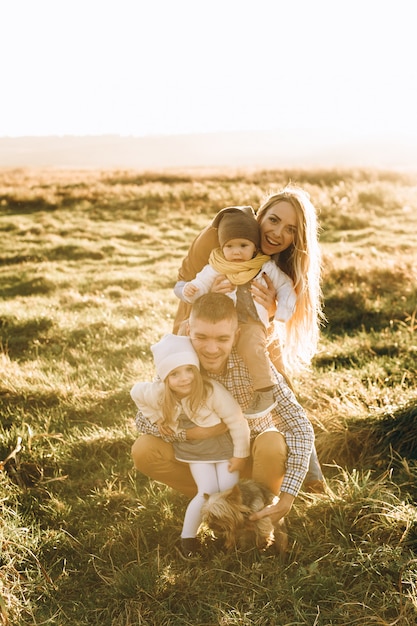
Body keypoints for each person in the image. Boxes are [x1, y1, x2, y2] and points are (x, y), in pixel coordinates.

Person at [131, 293, 316, 547]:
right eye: (201, 337)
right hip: (202, 459)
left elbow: (299, 424)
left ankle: (261, 515)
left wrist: (288, 496)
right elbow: (142, 421)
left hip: (251, 460)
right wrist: (189, 435)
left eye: (222, 338)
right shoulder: (179, 365)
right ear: (188, 330)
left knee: (272, 442)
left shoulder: (254, 363)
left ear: (236, 335)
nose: (211, 348)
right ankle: (214, 504)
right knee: (144, 450)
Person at [172, 186, 324, 378]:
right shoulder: (219, 234)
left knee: (276, 384)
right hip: (200, 322)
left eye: (290, 229)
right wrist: (208, 295)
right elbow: (181, 287)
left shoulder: (285, 259)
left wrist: (271, 310)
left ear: (297, 237)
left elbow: (281, 307)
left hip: (254, 326)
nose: (277, 233)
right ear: (261, 215)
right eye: (273, 220)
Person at [130, 333, 250, 557]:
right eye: (174, 374)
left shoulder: (210, 390)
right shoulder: (158, 393)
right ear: (164, 377)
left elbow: (236, 419)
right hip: (195, 454)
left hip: (225, 451)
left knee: (228, 491)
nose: (184, 378)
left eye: (188, 370)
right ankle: (188, 540)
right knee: (206, 492)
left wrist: (241, 455)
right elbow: (136, 392)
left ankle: (230, 535)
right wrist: (156, 418)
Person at [175, 207, 297, 419]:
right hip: (220, 321)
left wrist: (279, 312)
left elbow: (286, 287)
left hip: (250, 322)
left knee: (252, 345)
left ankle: (265, 392)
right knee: (185, 334)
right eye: (230, 246)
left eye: (243, 246)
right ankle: (181, 391)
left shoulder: (263, 266)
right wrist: (194, 292)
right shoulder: (217, 264)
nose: (237, 252)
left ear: (254, 246)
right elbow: (194, 284)